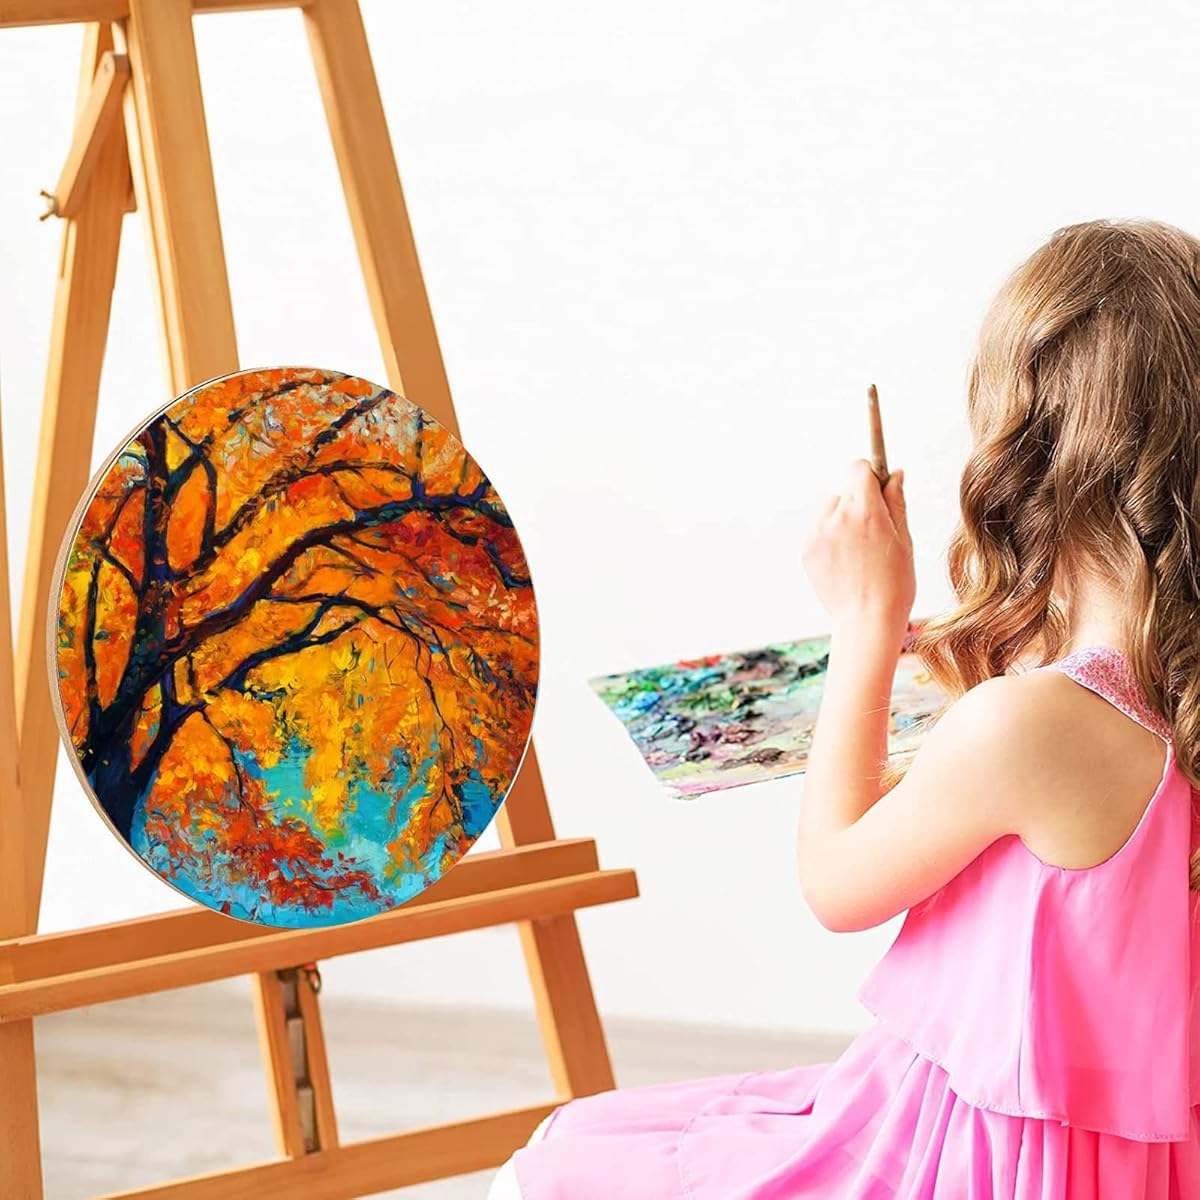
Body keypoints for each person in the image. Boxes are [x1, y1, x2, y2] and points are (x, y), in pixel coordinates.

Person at [488, 218, 1200, 1198]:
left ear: (1025, 450)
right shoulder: (1142, 697)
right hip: (1144, 1164)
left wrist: (869, 621)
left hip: (974, 1158)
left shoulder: (1032, 725)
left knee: (565, 1162)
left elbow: (835, 885)